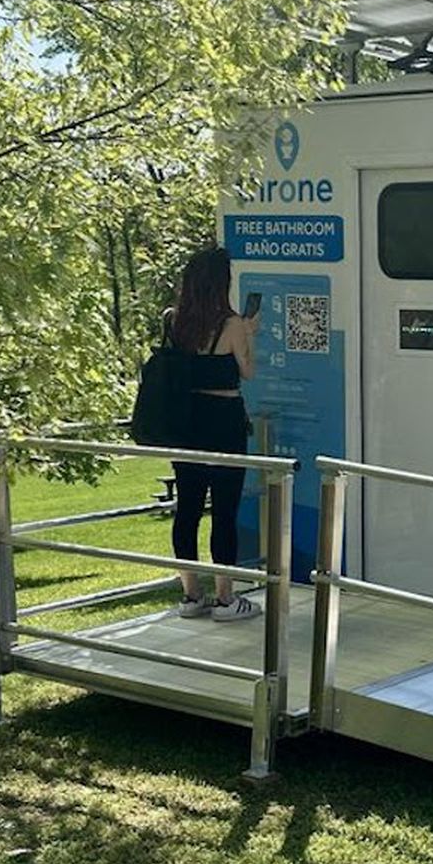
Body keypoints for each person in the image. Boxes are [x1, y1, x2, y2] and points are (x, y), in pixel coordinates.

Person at [160, 246, 260, 622]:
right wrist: (249, 333)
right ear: (222, 282)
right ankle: (225, 600)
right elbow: (247, 371)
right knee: (224, 511)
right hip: (224, 421)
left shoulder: (174, 321)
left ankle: (190, 595)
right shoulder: (232, 324)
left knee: (186, 509)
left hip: (185, 422)